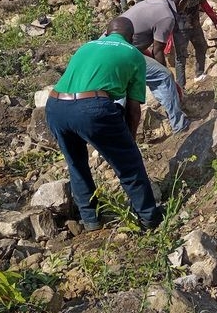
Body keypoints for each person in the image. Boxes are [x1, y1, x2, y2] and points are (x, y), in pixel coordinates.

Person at [44, 17, 163, 231]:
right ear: (131, 38)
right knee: (128, 165)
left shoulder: (87, 46)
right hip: (92, 107)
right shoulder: (134, 54)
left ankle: (90, 220)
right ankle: (149, 218)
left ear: (106, 33)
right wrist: (129, 141)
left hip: (54, 105)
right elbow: (134, 110)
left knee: (76, 164)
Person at [119, 0, 191, 133]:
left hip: (109, 47)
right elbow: (158, 50)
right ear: (182, 2)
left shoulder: (152, 3)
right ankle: (179, 124)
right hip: (123, 52)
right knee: (163, 75)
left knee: (121, 87)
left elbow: (139, 41)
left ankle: (119, 127)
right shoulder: (167, 16)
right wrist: (167, 75)